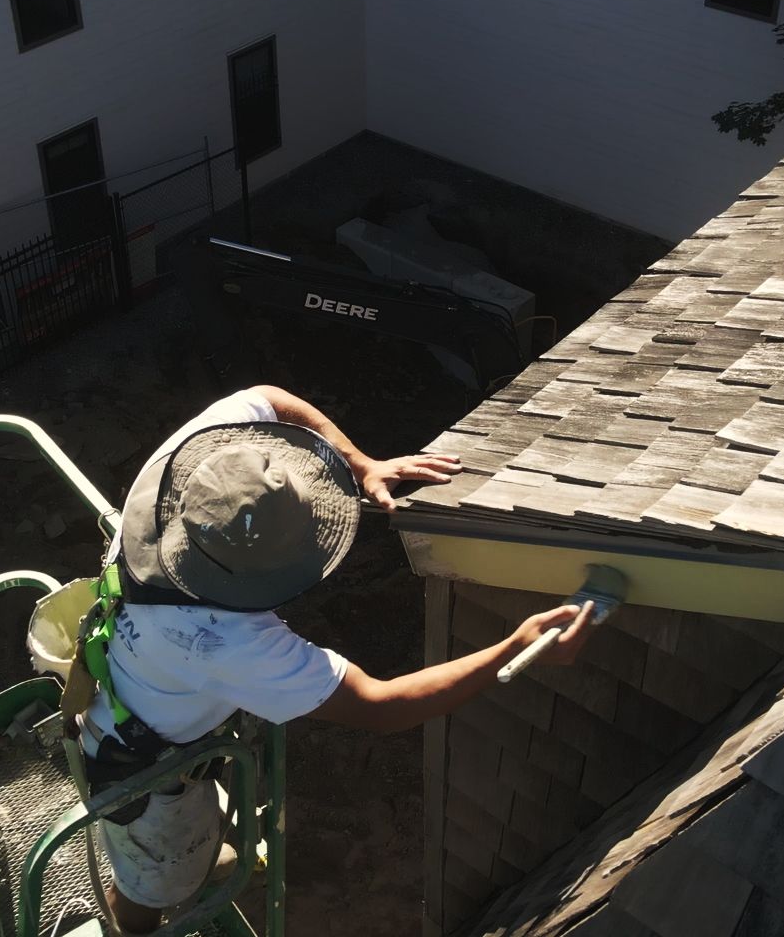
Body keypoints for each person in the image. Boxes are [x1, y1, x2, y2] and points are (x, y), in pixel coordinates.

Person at [78, 385, 595, 933]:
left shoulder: (187, 476)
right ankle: (139, 909)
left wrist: (362, 463)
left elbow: (266, 396)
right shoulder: (226, 641)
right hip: (138, 767)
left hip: (121, 681)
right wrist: (516, 649)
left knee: (185, 827)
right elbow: (382, 705)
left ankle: (187, 854)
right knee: (150, 883)